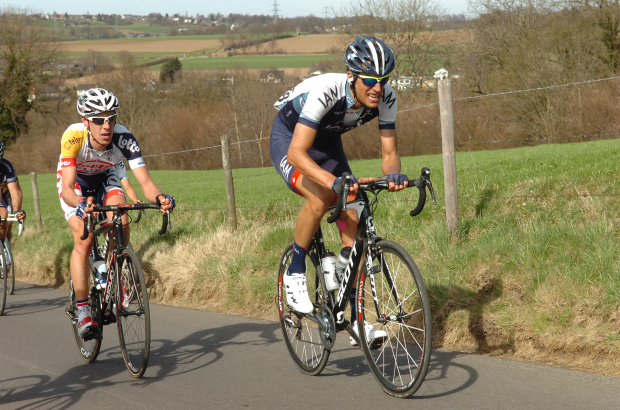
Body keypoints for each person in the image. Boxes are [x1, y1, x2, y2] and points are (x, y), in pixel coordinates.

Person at [270, 35, 409, 346]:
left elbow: (389, 154)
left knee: (355, 213)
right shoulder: (326, 91)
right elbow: (296, 154)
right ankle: (295, 272)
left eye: (383, 80)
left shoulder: (386, 98)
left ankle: (355, 316)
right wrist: (331, 182)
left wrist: (394, 176)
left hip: (328, 143)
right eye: (370, 80)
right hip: (291, 140)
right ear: (352, 77)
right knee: (320, 197)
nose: (378, 87)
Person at [58, 87, 175, 339]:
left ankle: (113, 275)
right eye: (99, 120)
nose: (106, 125)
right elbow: (67, 188)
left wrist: (160, 198)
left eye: (111, 118)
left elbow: (146, 183)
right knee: (85, 237)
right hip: (76, 183)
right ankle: (82, 311)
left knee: (121, 219)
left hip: (105, 177)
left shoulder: (124, 139)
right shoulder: (73, 137)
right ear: (85, 121)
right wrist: (80, 203)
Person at [0, 141, 26, 241]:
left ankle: (5, 251)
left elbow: (15, 191)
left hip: (5, 195)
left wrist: (17, 211)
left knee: (7, 226)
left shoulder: (6, 166)